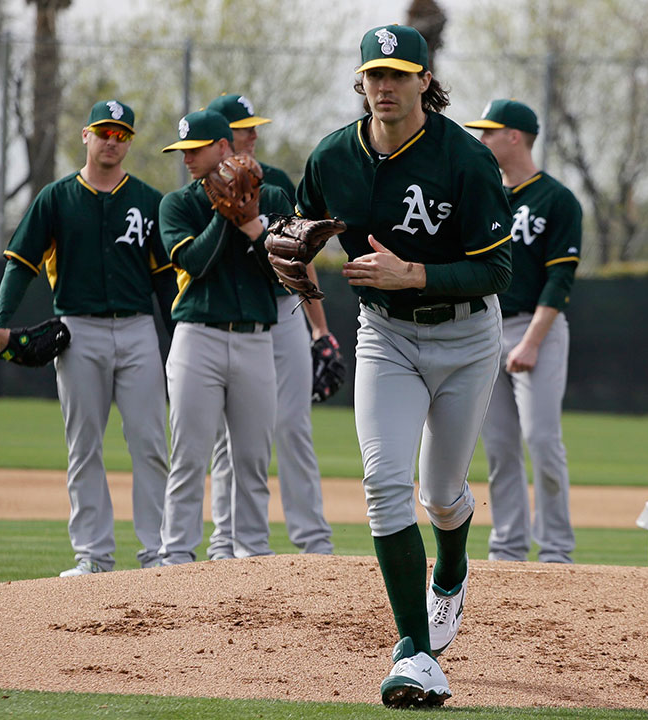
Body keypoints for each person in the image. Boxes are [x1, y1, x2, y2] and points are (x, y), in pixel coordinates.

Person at [290, 24, 511, 708]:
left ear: (424, 80)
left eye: (398, 74)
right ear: (361, 82)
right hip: (385, 336)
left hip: (468, 338)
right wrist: (287, 249)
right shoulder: (333, 156)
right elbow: (299, 230)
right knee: (385, 483)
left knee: (441, 493)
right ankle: (415, 653)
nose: (385, 86)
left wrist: (409, 273)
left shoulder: (465, 160)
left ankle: (451, 567)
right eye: (374, 75)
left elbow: (498, 267)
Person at [0, 100, 174, 577]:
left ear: (128, 142)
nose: (112, 141)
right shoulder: (55, 197)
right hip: (78, 330)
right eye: (104, 131)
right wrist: (1, 319)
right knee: (83, 445)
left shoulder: (148, 200)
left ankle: (158, 554)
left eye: (121, 134)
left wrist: (179, 335)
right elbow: (22, 261)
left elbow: (164, 280)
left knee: (150, 442)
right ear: (86, 136)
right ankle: (92, 556)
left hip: (137, 330)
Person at [156, 109, 291, 565]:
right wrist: (224, 211)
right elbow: (194, 263)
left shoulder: (271, 196)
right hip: (198, 338)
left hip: (256, 340)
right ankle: (176, 554)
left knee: (252, 460)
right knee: (189, 455)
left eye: (195, 150)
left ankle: (251, 553)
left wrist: (253, 222)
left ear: (224, 147)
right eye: (183, 151)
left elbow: (282, 277)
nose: (187, 158)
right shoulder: (178, 204)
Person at [201, 93, 334, 559]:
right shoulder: (198, 190)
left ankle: (313, 542)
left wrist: (319, 328)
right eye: (244, 128)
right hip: (230, 320)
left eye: (255, 128)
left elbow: (300, 258)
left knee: (294, 426)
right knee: (227, 436)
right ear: (221, 138)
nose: (254, 135)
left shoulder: (274, 183)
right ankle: (224, 542)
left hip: (281, 313)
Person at [463, 99, 581, 564]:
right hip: (487, 329)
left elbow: (561, 278)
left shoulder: (557, 199)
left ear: (515, 136)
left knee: (542, 442)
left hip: (539, 331)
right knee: (499, 447)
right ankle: (508, 547)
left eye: (489, 132)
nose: (482, 140)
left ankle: (555, 549)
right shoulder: (484, 194)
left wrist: (531, 341)